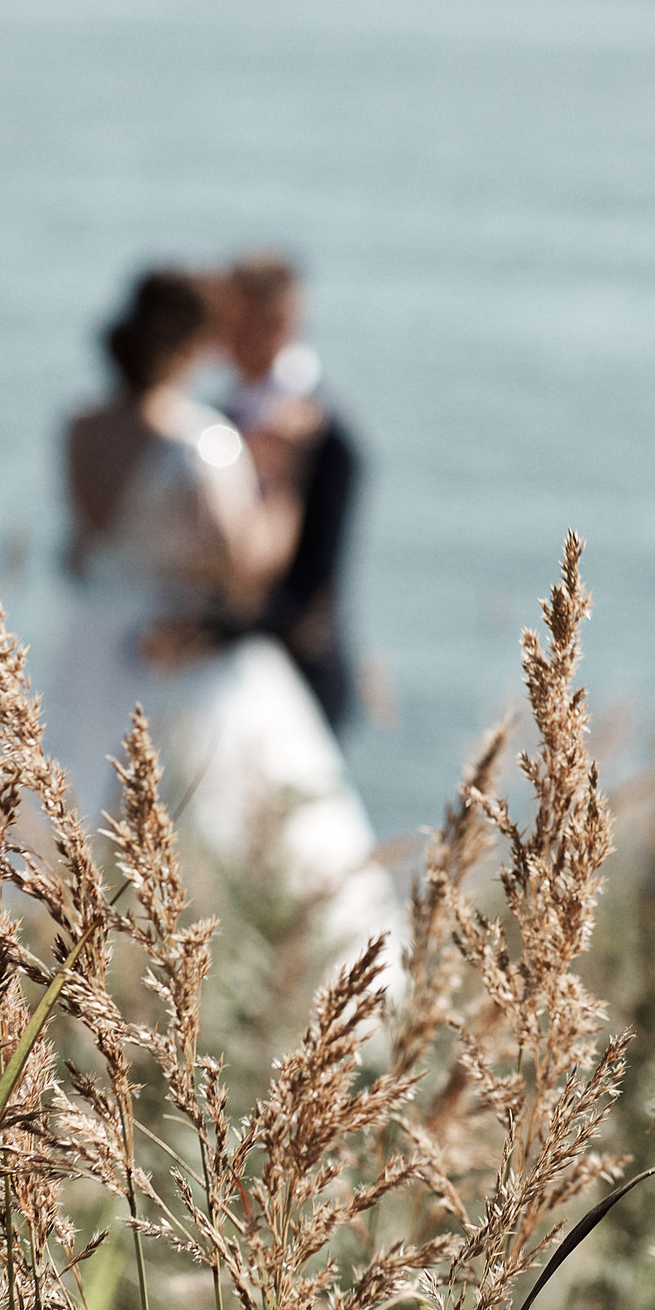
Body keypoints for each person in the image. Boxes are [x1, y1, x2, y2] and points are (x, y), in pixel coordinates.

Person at [44, 267, 400, 961]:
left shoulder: (80, 428)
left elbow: (81, 551)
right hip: (181, 653)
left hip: (94, 640)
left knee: (78, 807)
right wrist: (284, 473)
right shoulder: (201, 441)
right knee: (212, 821)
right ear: (192, 346)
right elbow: (252, 560)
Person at [216, 255, 361, 733]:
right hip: (217, 677)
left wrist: (205, 634)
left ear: (280, 321)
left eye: (232, 318)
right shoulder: (215, 419)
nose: (219, 335)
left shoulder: (329, 436)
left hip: (295, 678)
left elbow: (313, 584)